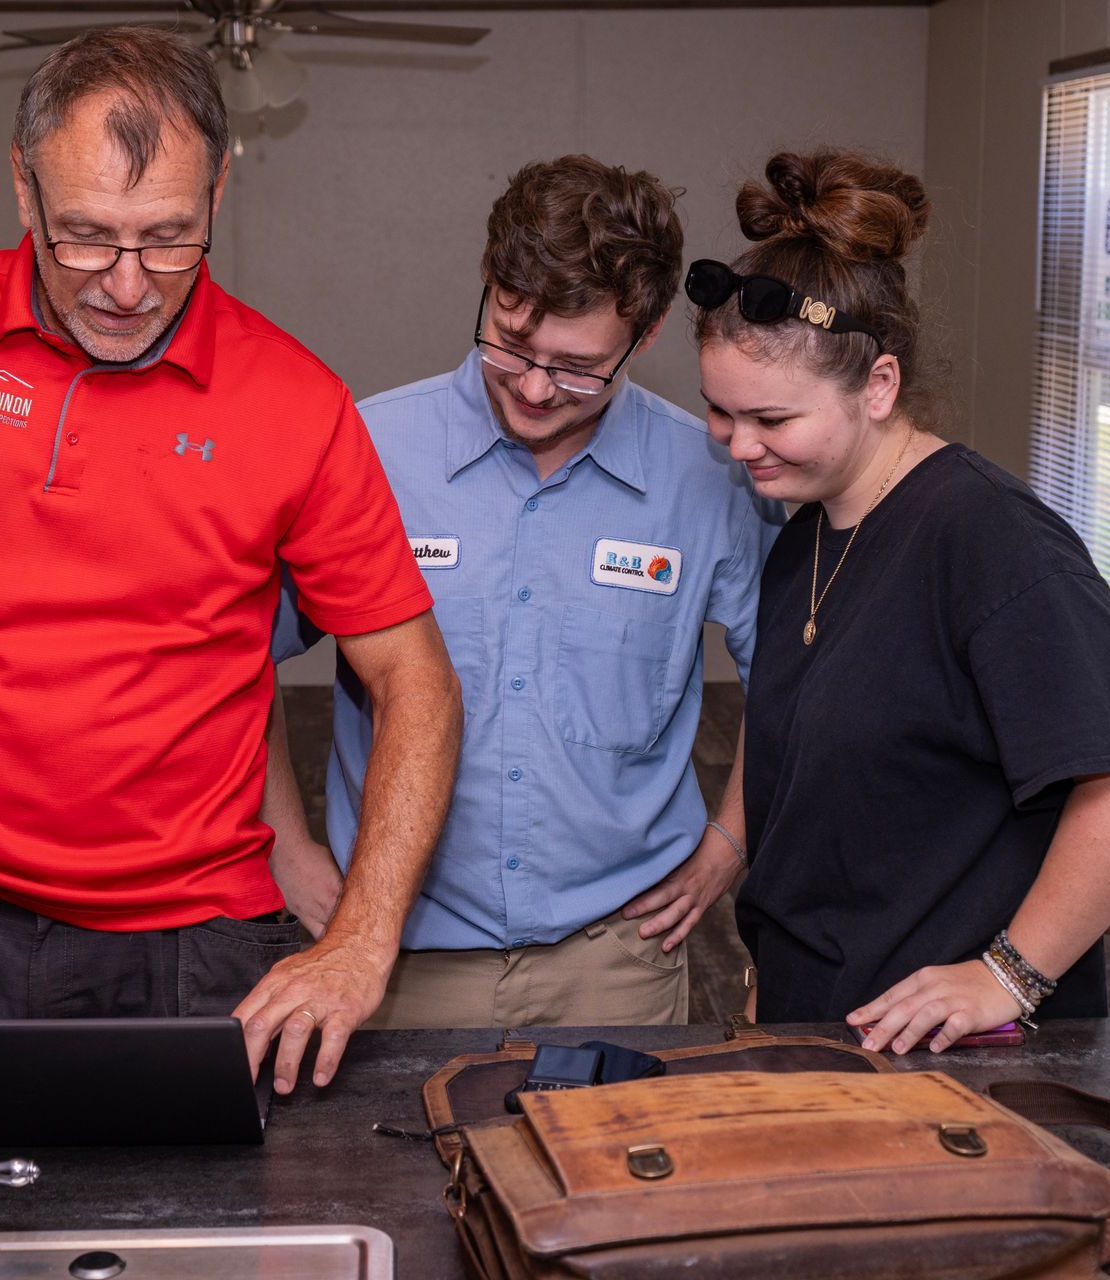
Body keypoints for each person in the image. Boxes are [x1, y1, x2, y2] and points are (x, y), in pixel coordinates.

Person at [0, 27, 461, 1096]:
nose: (127, 286)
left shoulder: (297, 402)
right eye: (86, 238)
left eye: (169, 238)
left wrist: (362, 937)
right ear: (23, 191)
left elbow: (417, 683)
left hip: (186, 942)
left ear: (220, 189)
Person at [264, 155, 781, 1028]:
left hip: (618, 957)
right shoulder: (370, 450)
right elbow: (242, 656)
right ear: (490, 283)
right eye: (511, 343)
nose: (537, 388)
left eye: (580, 368)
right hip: (396, 955)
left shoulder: (708, 476)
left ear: (645, 334)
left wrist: (731, 841)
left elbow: (792, 679)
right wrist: (285, 847)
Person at [692, 149, 1110, 1053]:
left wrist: (1008, 973)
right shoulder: (808, 526)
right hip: (826, 1029)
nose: (738, 447)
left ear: (879, 387)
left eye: (772, 420)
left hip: (956, 1064)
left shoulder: (989, 541)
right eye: (721, 413)